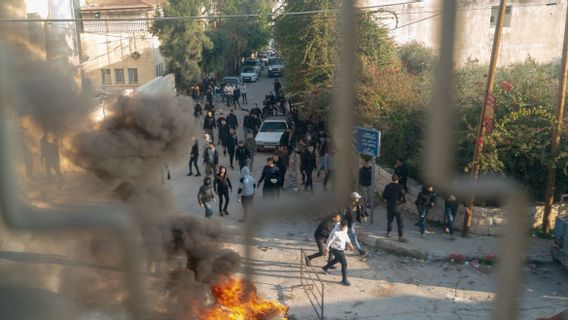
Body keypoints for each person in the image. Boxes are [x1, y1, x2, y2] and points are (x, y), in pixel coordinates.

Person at [321, 219, 355, 286]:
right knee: (344, 263)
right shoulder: (335, 232)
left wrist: (350, 244)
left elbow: (346, 236)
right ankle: (344, 280)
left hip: (341, 248)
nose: (343, 228)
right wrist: (326, 249)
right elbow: (329, 241)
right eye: (342, 227)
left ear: (346, 226)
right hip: (335, 249)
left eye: (344, 227)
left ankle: (325, 267)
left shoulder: (345, 229)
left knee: (337, 260)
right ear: (340, 225)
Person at [382, 175, 407, 242]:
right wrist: (403, 203)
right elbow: (403, 197)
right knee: (400, 222)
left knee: (390, 220)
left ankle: (388, 232)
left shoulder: (388, 186)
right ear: (397, 179)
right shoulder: (400, 187)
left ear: (392, 179)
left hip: (389, 206)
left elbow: (384, 196)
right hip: (397, 207)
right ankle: (400, 236)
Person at [342, 192, 367, 256]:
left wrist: (364, 216)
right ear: (353, 198)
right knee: (354, 236)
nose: (358, 198)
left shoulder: (357, 204)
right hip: (348, 223)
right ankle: (360, 250)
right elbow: (344, 215)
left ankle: (344, 246)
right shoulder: (347, 205)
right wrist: (344, 224)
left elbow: (360, 210)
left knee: (346, 234)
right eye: (357, 198)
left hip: (353, 222)